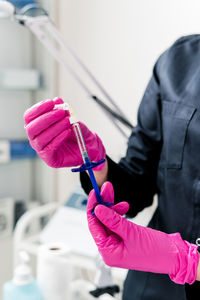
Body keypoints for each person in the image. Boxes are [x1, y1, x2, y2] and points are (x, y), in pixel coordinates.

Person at [24, 34, 200, 299]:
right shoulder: (177, 62)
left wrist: (192, 263)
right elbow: (138, 183)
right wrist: (94, 163)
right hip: (152, 287)